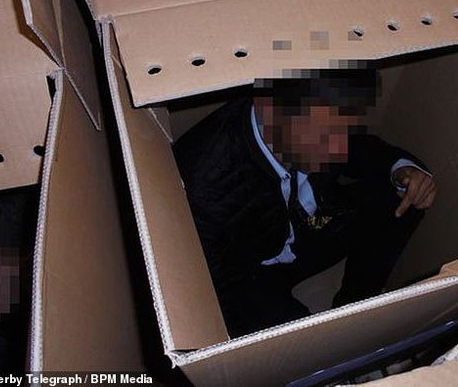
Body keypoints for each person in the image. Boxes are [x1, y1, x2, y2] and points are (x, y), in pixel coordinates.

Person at [172, 69, 437, 337]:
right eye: (324, 137)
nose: (337, 148)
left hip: (308, 226)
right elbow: (216, 292)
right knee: (308, 345)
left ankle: (356, 309)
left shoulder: (316, 116)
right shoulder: (201, 187)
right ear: (271, 113)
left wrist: (402, 170)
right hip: (252, 273)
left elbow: (358, 148)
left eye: (344, 129)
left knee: (405, 192)